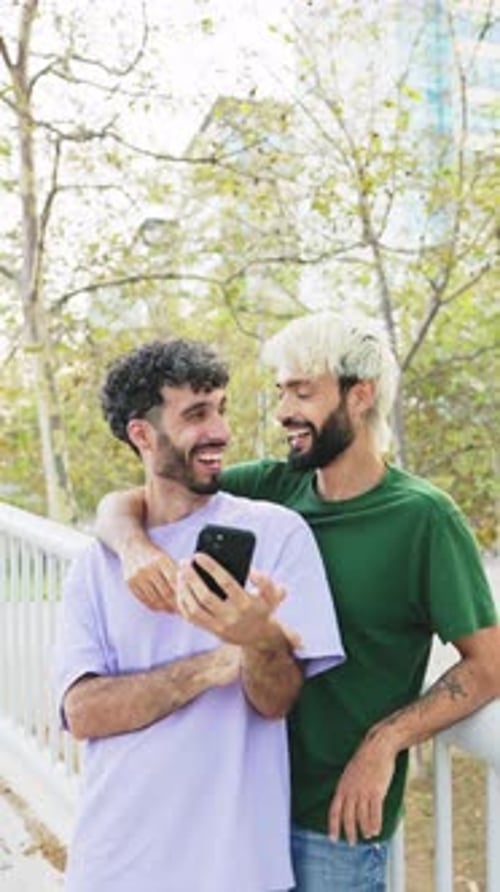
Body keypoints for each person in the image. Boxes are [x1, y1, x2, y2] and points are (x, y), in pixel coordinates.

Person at [95, 313, 500, 892]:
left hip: (332, 818)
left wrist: (385, 741)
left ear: (360, 397)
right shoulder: (274, 487)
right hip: (241, 806)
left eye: (303, 392)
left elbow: (489, 665)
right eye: (282, 390)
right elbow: (130, 498)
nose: (283, 410)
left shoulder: (424, 519)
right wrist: (133, 548)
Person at [53, 338, 345, 892]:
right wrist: (216, 662)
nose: (220, 432)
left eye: (220, 409)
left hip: (234, 869)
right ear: (142, 434)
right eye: (195, 414)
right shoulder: (97, 564)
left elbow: (277, 699)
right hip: (112, 867)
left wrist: (258, 641)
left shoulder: (278, 534)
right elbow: (83, 711)